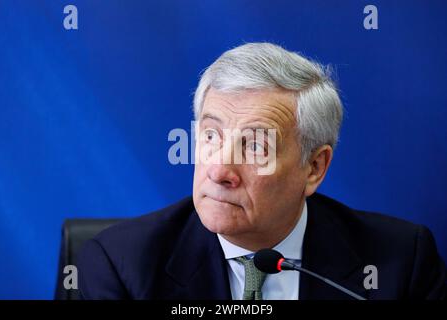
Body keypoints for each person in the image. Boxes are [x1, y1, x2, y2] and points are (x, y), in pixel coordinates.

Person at [77, 43, 446, 300]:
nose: (220, 169)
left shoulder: (400, 262)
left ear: (314, 168)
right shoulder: (122, 265)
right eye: (210, 135)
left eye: (256, 146)